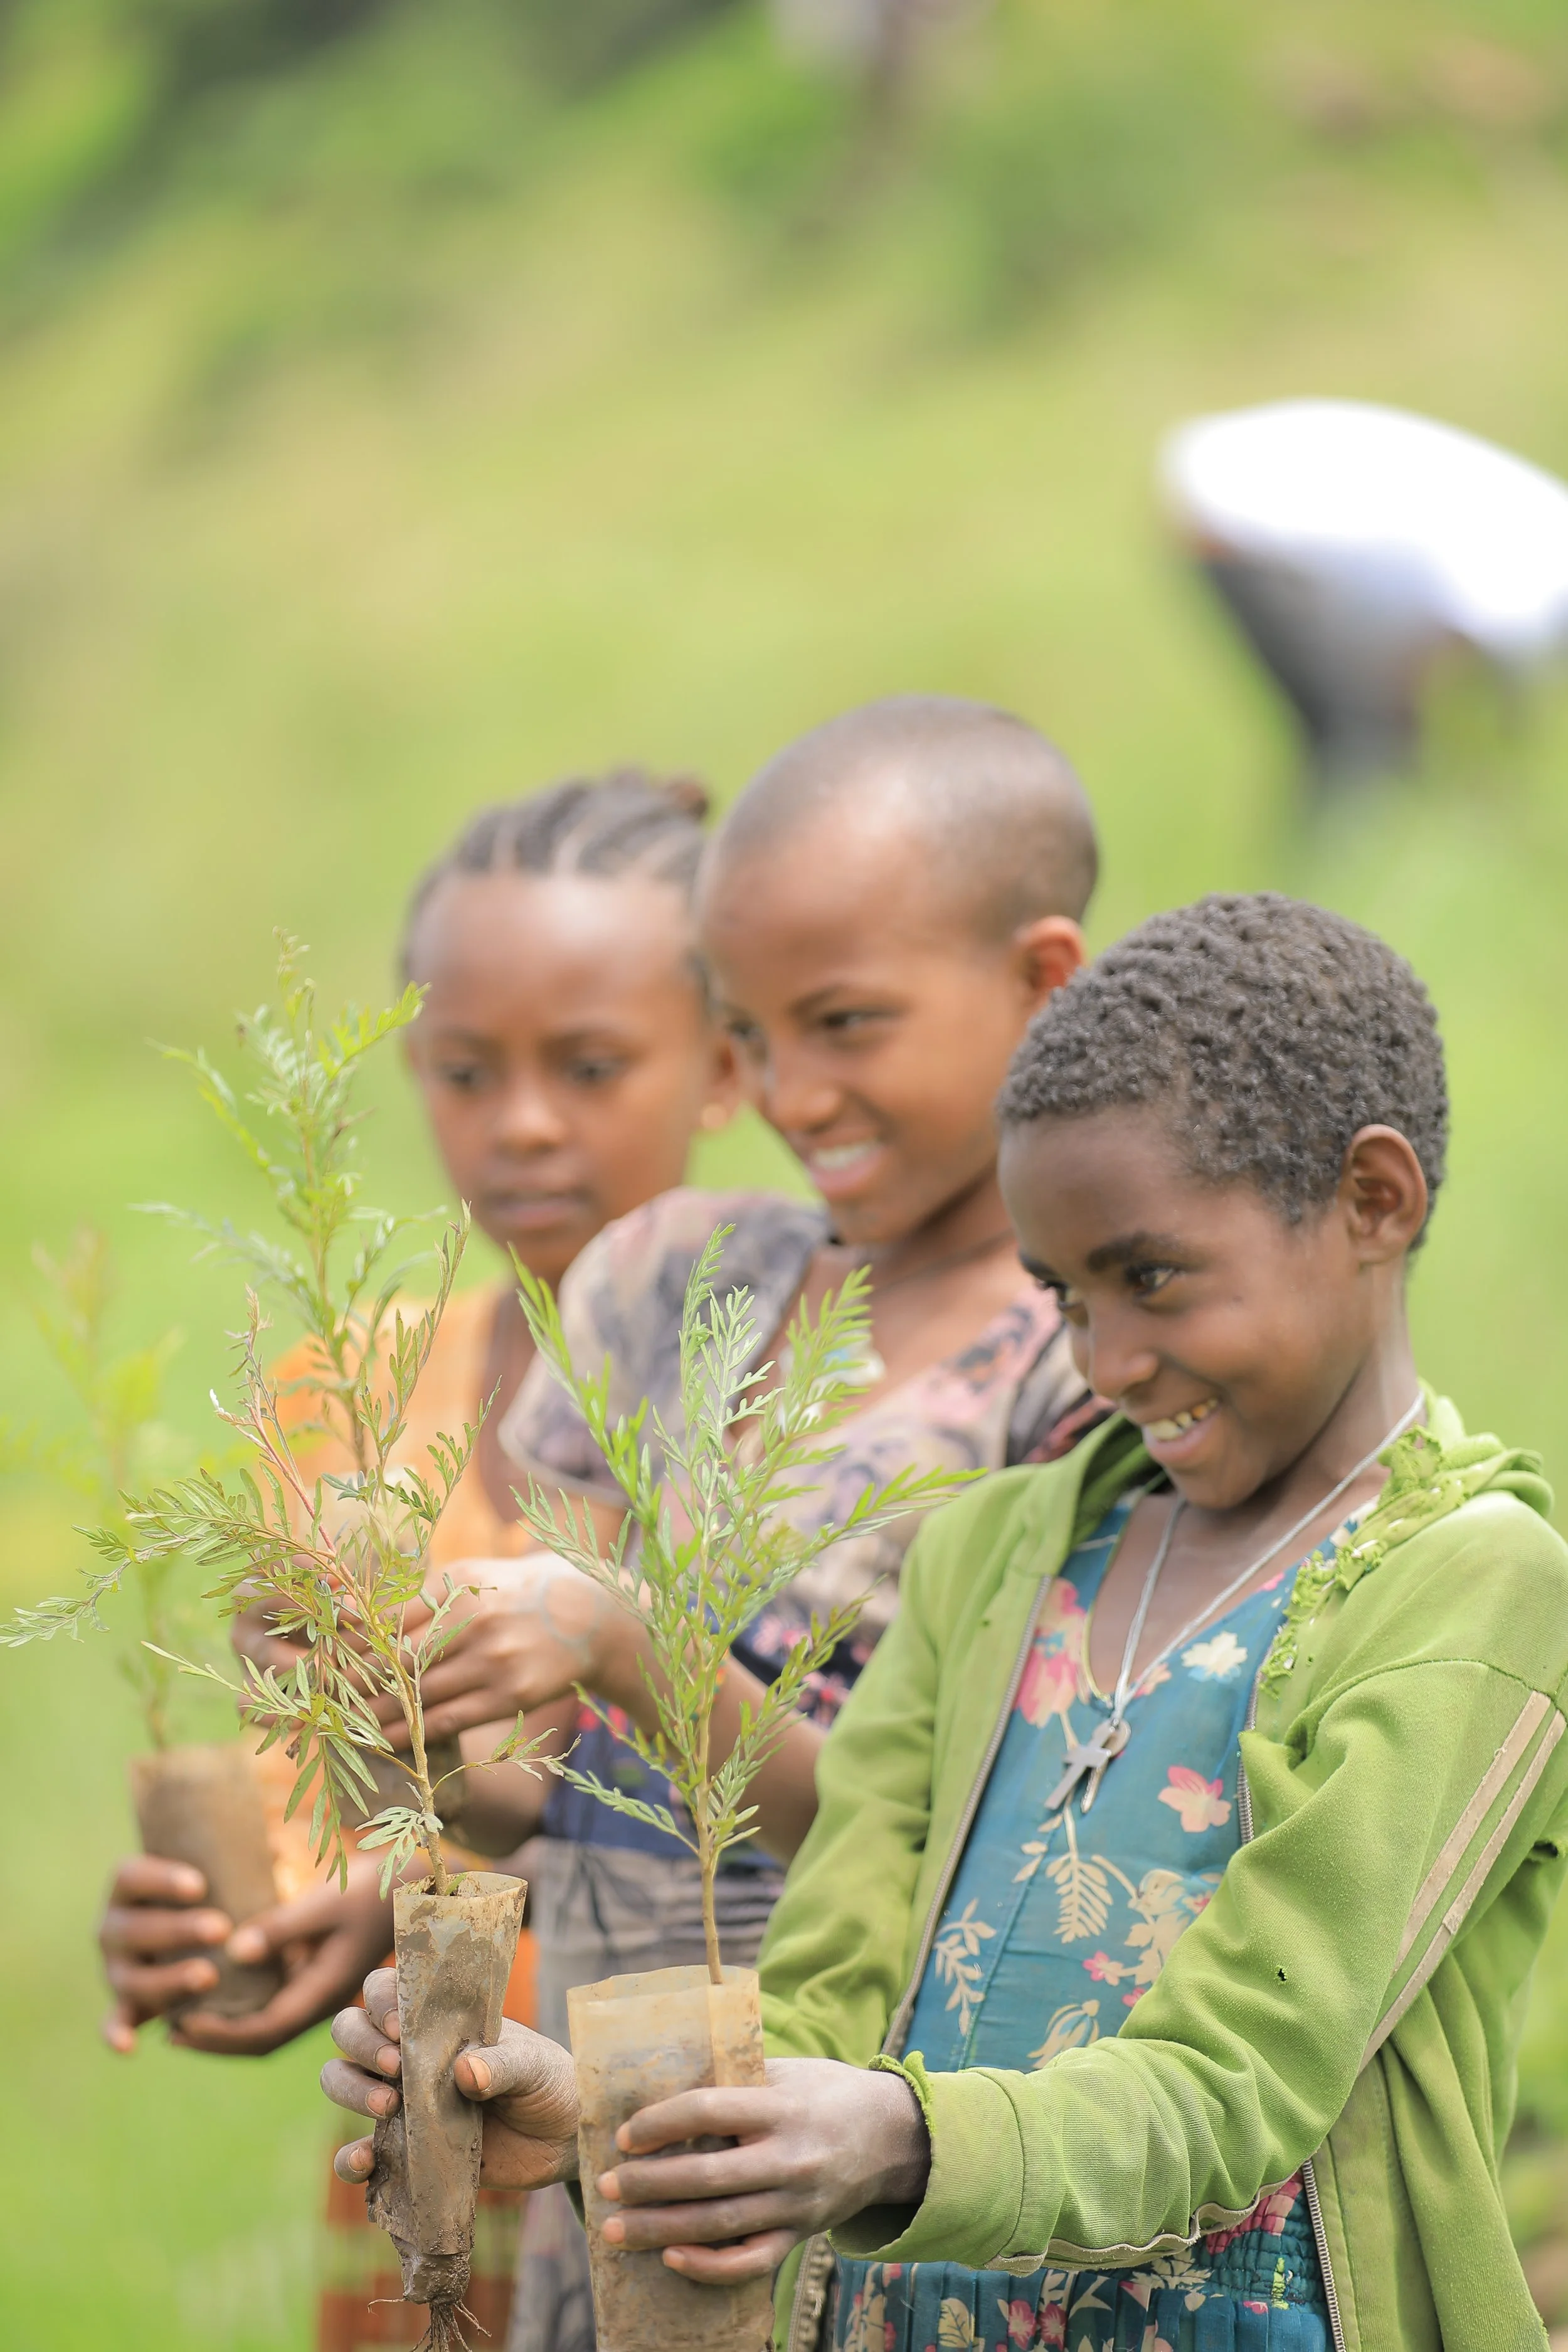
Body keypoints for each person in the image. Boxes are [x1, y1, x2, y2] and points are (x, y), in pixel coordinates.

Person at [329, 894, 1568, 2352]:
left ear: (1373, 1200)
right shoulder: (997, 1548)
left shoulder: (1471, 1584)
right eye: (1062, 1294)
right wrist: (591, 2113)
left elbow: (1245, 2079)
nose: (1105, 1359)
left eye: (1151, 1277)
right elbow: (832, 1992)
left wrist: (903, 2140)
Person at [364, 694, 1105, 2349]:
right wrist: (384, 1716)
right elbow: (541, 1806)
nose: (791, 1091)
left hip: (864, 2156)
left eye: (843, 1023)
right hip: (616, 2152)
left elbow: (963, 1858)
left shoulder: (1075, 1371)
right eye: (753, 1036)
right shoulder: (676, 1280)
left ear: (1042, 979)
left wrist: (640, 1646)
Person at [95, 769, 741, 2349]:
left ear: (729, 1061)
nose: (521, 1119)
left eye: (590, 1065)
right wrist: (243, 1943)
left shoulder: (788, 1413)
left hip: (696, 2175)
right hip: (421, 2189)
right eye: (464, 1068)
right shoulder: (345, 1383)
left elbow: (814, 1822)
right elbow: (316, 1833)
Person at [1161, 398, 1568, 785]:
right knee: (1357, 741)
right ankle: (1336, 855)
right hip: (1235, 513)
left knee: (1376, 741)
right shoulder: (1546, 585)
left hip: (1243, 478)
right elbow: (1453, 648)